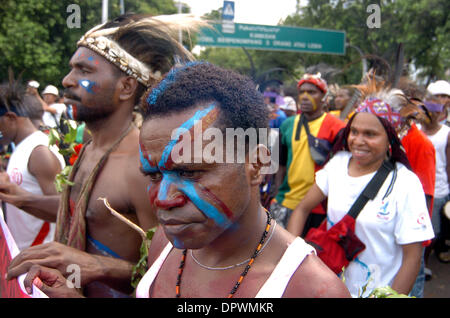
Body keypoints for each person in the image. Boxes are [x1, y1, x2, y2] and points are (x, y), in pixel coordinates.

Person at [4, 13, 205, 298]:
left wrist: (99, 266)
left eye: (84, 71)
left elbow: (178, 272)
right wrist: (18, 197)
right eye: (72, 69)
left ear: (126, 87)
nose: (67, 80)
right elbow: (83, 210)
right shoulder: (89, 148)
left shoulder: (142, 166)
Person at [287, 82, 435, 297]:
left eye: (370, 134)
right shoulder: (338, 164)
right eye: (354, 132)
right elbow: (302, 209)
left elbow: (412, 257)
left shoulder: (405, 183)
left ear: (390, 140)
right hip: (329, 290)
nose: (358, 141)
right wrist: (291, 258)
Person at [270, 73, 345, 230]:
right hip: (286, 202)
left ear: (323, 97)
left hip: (319, 207)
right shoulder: (287, 124)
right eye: (302, 92)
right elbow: (279, 163)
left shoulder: (336, 127)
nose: (305, 97)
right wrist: (277, 194)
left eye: (311, 92)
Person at [0, 80, 65, 250]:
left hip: (39, 261)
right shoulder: (21, 147)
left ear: (10, 118)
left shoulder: (39, 152)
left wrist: (17, 198)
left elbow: (63, 211)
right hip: (20, 253)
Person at [421, 97, 450, 264]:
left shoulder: (446, 133)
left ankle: (424, 262)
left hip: (438, 189)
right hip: (418, 188)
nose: (429, 115)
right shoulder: (415, 130)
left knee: (435, 230)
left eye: (433, 112)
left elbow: (448, 164)